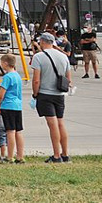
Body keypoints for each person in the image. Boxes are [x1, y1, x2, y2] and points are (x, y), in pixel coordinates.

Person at [31, 32, 72, 163]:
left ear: (42, 42)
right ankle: (65, 154)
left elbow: (36, 80)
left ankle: (56, 156)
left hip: (45, 94)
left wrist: (35, 94)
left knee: (52, 125)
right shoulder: (63, 57)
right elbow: (68, 78)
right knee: (60, 123)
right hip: (59, 94)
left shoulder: (39, 57)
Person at [0, 53, 25, 163]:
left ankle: (9, 156)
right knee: (18, 131)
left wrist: (0, 104)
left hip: (8, 105)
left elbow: (1, 94)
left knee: (10, 131)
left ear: (5, 63)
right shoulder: (17, 75)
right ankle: (20, 155)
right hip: (17, 105)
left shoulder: (7, 77)